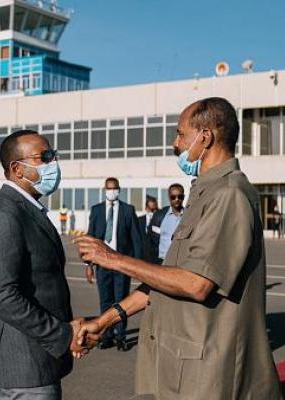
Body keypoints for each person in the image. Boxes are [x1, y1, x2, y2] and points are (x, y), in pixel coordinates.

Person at [75, 97, 282, 399]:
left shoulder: (229, 195)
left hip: (210, 375)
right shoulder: (204, 192)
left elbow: (196, 284)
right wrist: (105, 321)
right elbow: (165, 279)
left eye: (181, 134)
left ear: (206, 136)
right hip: (182, 367)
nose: (175, 143)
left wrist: (114, 259)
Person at [0, 130, 93, 400]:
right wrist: (63, 334)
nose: (54, 163)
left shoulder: (26, 209)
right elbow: (3, 297)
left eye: (54, 155)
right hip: (25, 365)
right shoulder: (5, 216)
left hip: (35, 360)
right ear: (17, 169)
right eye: (45, 157)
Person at [85, 177, 141, 351]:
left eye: (115, 188)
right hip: (102, 264)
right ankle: (107, 336)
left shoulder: (128, 210)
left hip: (121, 263)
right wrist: (89, 265)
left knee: (121, 301)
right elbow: (91, 237)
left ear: (119, 190)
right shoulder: (96, 210)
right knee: (105, 301)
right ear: (105, 190)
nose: (112, 191)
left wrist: (136, 266)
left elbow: (136, 239)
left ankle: (121, 337)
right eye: (109, 189)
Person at [147, 183, 185, 264]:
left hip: (182, 262)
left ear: (184, 197)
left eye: (180, 197)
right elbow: (151, 240)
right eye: (173, 197)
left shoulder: (189, 215)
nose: (177, 199)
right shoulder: (159, 216)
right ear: (169, 197)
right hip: (162, 261)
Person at [138, 196, 158, 261]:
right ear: (146, 208)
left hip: (156, 257)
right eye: (151, 209)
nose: (153, 212)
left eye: (155, 209)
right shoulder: (138, 221)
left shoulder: (160, 221)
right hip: (142, 256)